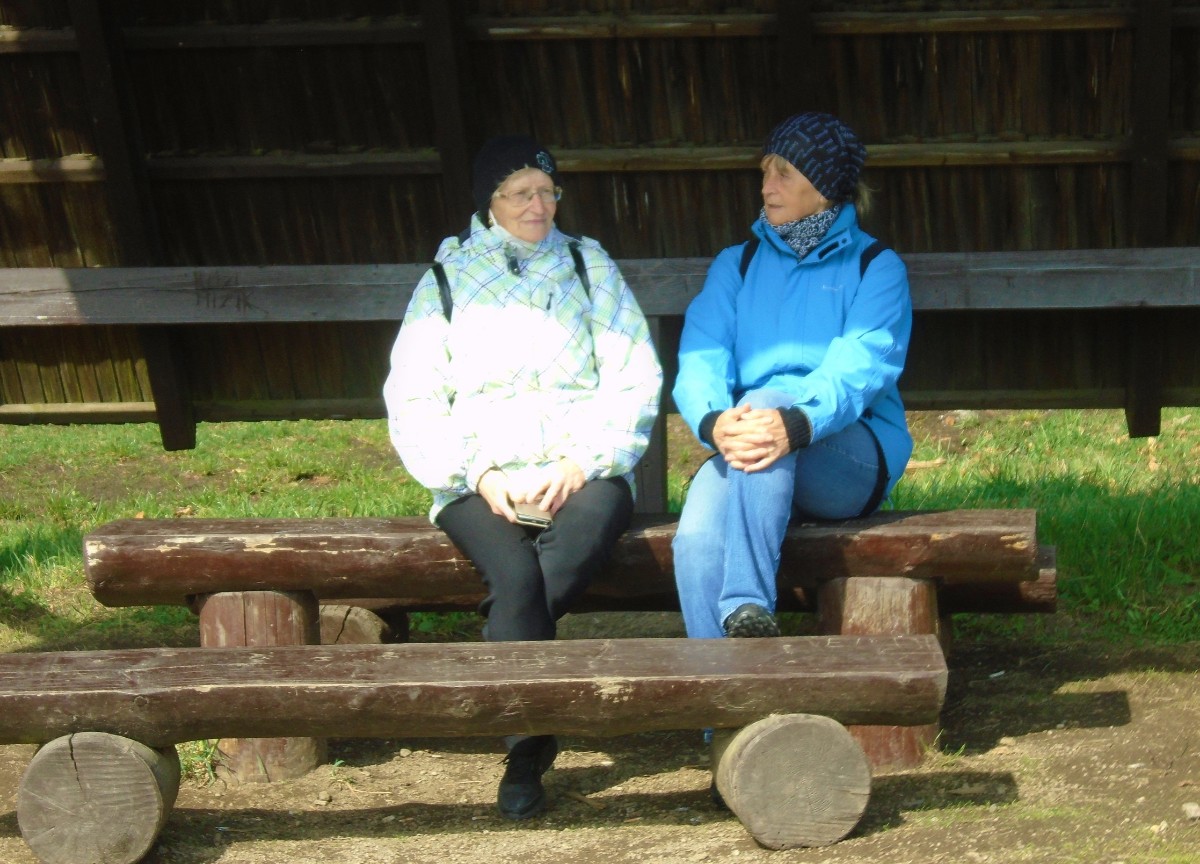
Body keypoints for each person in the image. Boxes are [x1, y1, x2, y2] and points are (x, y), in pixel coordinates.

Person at [383, 135, 662, 820]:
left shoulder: (588, 265)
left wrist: (580, 463)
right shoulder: (447, 279)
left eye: (547, 191)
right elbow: (414, 394)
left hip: (583, 473)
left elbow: (634, 372)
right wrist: (479, 473)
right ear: (490, 200)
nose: (539, 205)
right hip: (479, 479)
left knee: (545, 573)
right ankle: (527, 750)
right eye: (520, 193)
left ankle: (510, 681)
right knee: (515, 576)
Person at [672, 112, 913, 640]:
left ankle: (746, 601)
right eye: (764, 172)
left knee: (766, 401)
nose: (766, 186)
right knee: (696, 537)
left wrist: (796, 422)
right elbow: (701, 355)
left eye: (783, 172)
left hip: (846, 455)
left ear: (824, 187)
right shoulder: (736, 264)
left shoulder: (876, 266)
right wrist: (714, 423)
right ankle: (721, 688)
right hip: (754, 446)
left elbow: (860, 368)